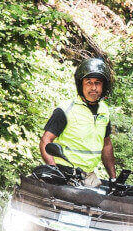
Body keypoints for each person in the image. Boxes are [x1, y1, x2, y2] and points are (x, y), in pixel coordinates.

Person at [39, 57, 117, 187]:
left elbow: (106, 144)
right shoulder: (65, 109)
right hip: (64, 172)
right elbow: (45, 141)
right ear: (81, 84)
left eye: (97, 83)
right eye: (88, 82)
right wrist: (54, 170)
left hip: (88, 175)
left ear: (104, 86)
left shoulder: (104, 111)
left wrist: (113, 178)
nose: (93, 88)